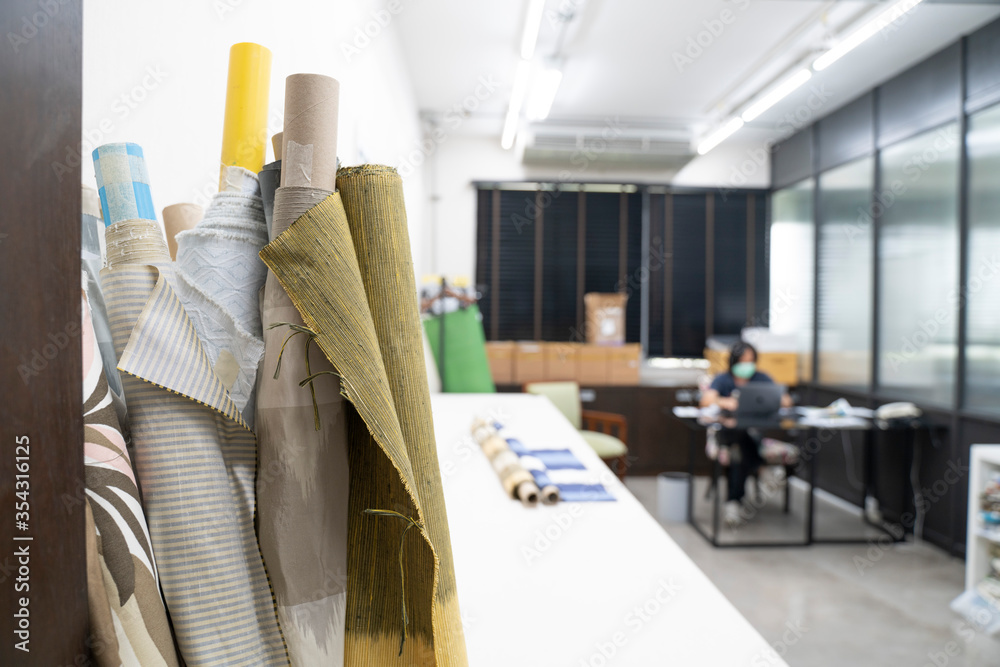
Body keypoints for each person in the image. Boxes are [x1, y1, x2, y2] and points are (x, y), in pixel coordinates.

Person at [700, 341, 792, 526]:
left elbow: (786, 401)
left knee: (738, 452)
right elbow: (706, 400)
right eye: (743, 360)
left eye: (751, 360)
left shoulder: (761, 378)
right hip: (725, 433)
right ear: (734, 361)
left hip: (752, 434)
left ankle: (733, 503)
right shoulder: (723, 379)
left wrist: (773, 400)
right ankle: (763, 469)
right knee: (738, 437)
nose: (747, 365)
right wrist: (724, 402)